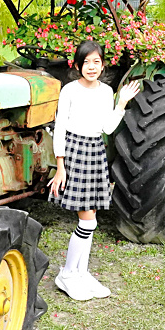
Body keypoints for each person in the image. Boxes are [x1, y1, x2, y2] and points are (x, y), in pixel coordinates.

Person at [48, 40, 141, 301]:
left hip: (95, 151)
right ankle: (67, 274)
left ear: (102, 65)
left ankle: (81, 272)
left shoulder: (105, 92)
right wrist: (60, 167)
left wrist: (121, 102)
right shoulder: (69, 91)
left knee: (91, 220)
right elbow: (60, 129)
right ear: (78, 65)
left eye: (96, 62)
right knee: (87, 220)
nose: (91, 67)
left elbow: (108, 128)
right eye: (86, 62)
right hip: (74, 151)